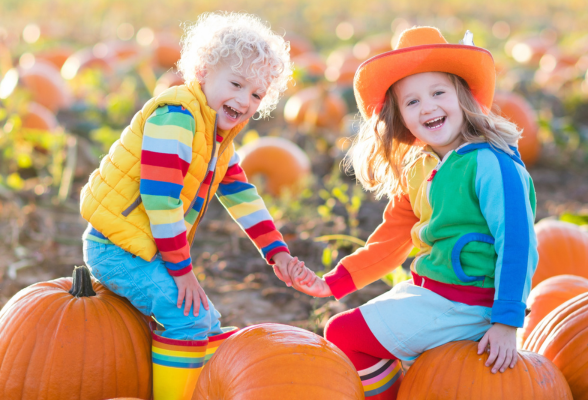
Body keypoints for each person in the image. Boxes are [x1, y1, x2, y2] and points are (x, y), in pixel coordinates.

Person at [291, 26, 538, 400]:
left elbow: (517, 243)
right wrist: (335, 283)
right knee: (352, 331)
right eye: (412, 101)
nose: (428, 107)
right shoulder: (420, 168)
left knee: (345, 334)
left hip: (468, 303)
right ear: (400, 117)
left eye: (438, 92)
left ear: (464, 97)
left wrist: (506, 321)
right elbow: (390, 242)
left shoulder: (491, 164)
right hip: (431, 292)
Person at [80, 12, 307, 400]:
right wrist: (183, 273)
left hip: (145, 247)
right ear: (202, 73)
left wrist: (278, 254)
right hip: (115, 248)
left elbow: (241, 195)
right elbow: (160, 200)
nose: (244, 100)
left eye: (256, 94)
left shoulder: (218, 136)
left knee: (206, 322)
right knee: (190, 319)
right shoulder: (177, 118)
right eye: (235, 84)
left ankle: (197, 383)